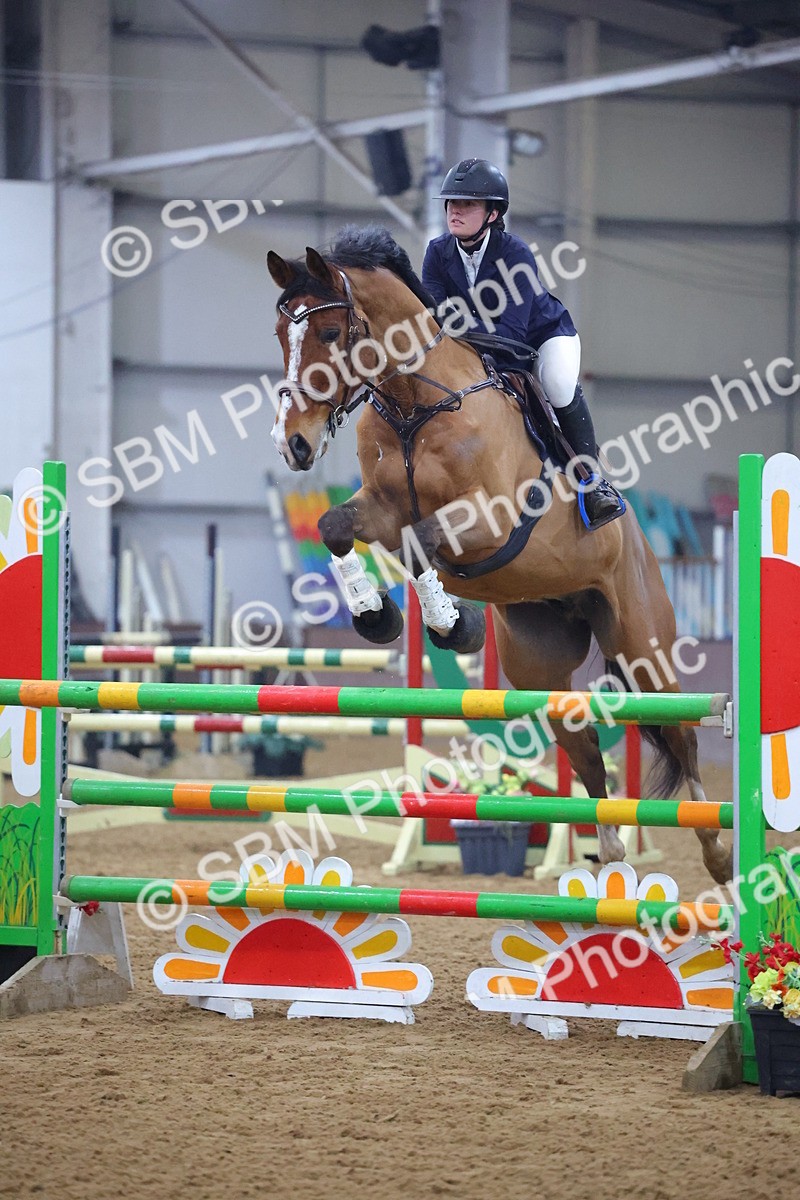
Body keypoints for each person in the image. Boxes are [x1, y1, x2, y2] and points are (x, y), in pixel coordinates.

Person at [422, 157, 625, 531]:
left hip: (541, 337)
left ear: (493, 213)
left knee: (558, 385)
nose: (455, 211)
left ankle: (593, 483)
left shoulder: (515, 254)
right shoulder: (437, 253)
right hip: (481, 347)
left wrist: (457, 325)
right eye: (451, 203)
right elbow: (433, 319)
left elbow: (512, 334)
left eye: (467, 203)